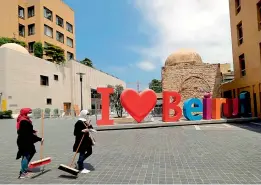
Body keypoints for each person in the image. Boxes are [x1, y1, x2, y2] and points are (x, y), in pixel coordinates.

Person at [16, 108, 44, 179]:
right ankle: (23, 173)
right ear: (25, 113)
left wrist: (32, 131)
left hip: (25, 140)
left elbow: (27, 131)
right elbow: (27, 134)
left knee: (31, 152)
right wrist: (39, 139)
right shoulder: (24, 121)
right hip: (24, 141)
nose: (30, 114)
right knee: (26, 155)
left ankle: (25, 168)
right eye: (29, 112)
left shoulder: (24, 119)